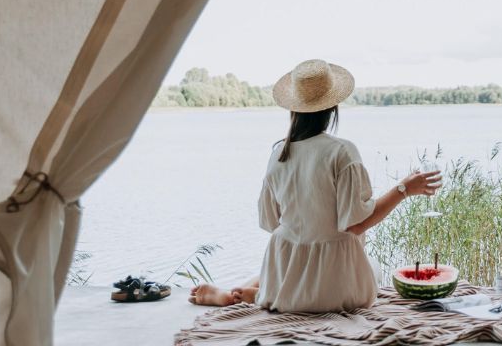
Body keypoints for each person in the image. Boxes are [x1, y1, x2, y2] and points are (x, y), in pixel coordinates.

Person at [189, 59, 442, 312]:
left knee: (291, 257)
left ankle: (251, 292)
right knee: (372, 267)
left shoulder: (278, 154)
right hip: (336, 291)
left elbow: (269, 222)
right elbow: (355, 224)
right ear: (333, 107)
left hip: (284, 283)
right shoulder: (342, 152)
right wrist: (404, 189)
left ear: (293, 108)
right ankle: (255, 292)